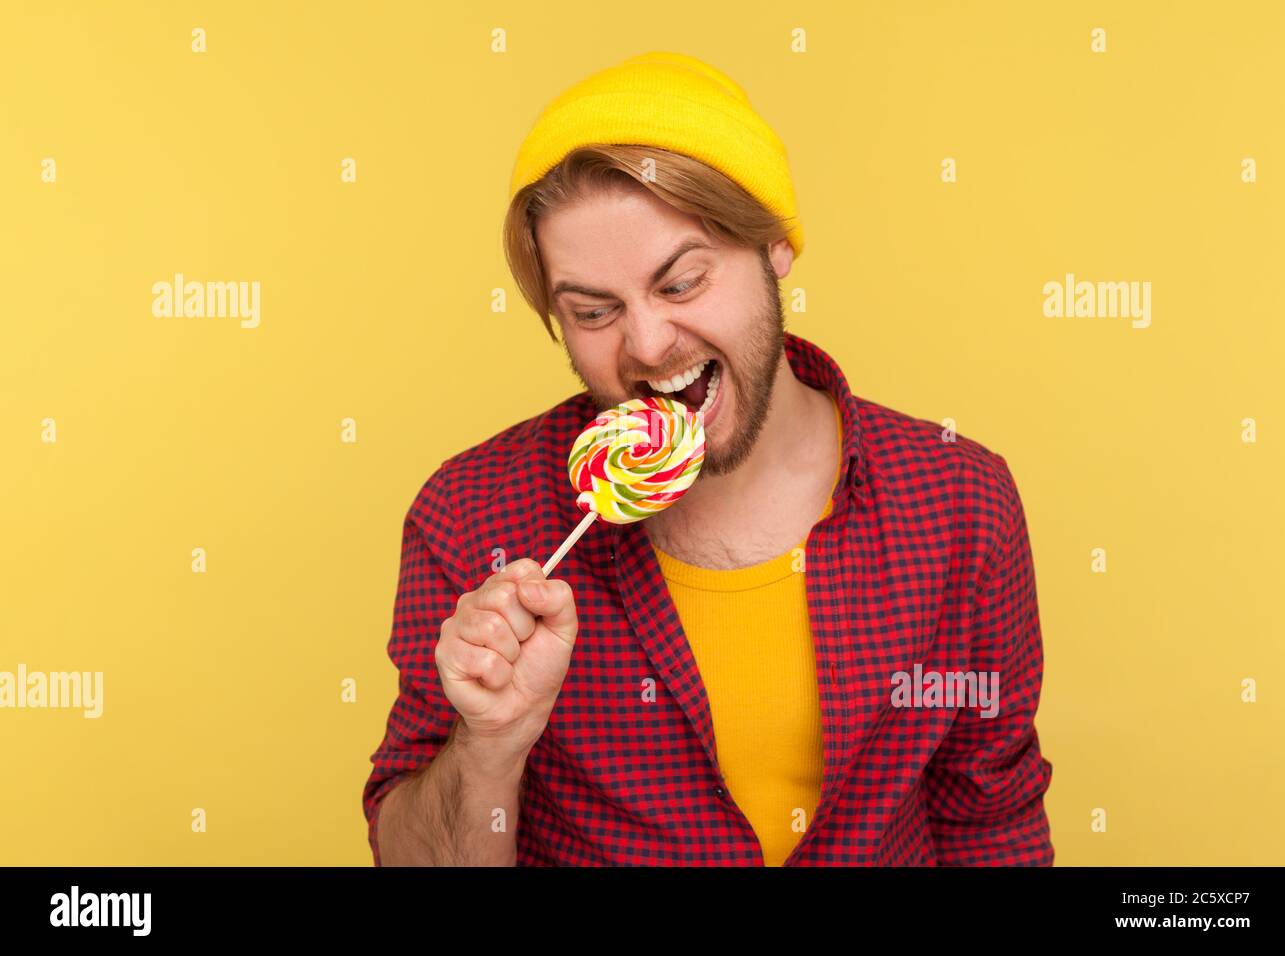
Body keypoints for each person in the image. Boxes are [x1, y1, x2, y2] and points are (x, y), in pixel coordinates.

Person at [363, 51, 1053, 866]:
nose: (647, 345)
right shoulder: (471, 513)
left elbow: (992, 824)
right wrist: (490, 744)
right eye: (593, 310)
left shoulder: (959, 502)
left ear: (775, 246)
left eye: (682, 283)